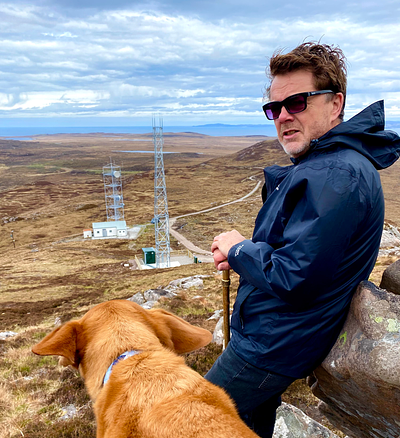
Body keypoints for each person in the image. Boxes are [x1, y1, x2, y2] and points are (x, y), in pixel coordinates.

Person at [205, 42, 400, 438]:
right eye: (274, 108)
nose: (282, 117)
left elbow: (295, 278)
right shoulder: (330, 165)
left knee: (181, 419)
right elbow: (297, 255)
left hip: (271, 345)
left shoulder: (335, 174)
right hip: (277, 337)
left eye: (297, 102)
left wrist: (239, 249)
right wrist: (243, 259)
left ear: (335, 103)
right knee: (245, 428)